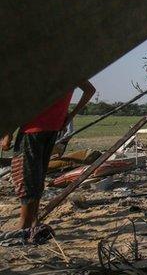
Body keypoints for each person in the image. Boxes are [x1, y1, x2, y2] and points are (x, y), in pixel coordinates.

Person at [1, 80, 95, 242]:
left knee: (25, 176)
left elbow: (22, 102)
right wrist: (70, 116)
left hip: (32, 129)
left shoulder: (42, 71)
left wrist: (8, 133)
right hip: (53, 127)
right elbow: (90, 90)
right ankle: (34, 221)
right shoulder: (72, 69)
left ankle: (24, 225)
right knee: (37, 175)